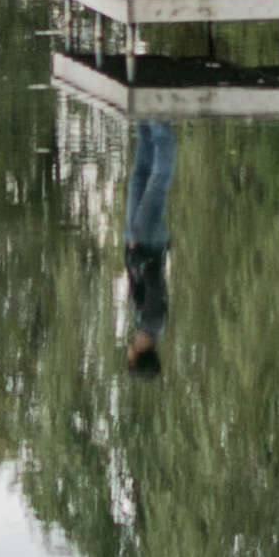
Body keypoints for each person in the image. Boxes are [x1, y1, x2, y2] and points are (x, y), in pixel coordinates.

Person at [122, 119, 173, 377]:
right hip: (147, 243)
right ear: (137, 357)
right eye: (129, 358)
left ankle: (144, 121)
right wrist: (137, 254)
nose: (126, 352)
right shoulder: (153, 322)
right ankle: (160, 122)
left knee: (139, 176)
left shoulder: (145, 323)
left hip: (137, 242)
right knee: (159, 179)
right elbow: (153, 280)